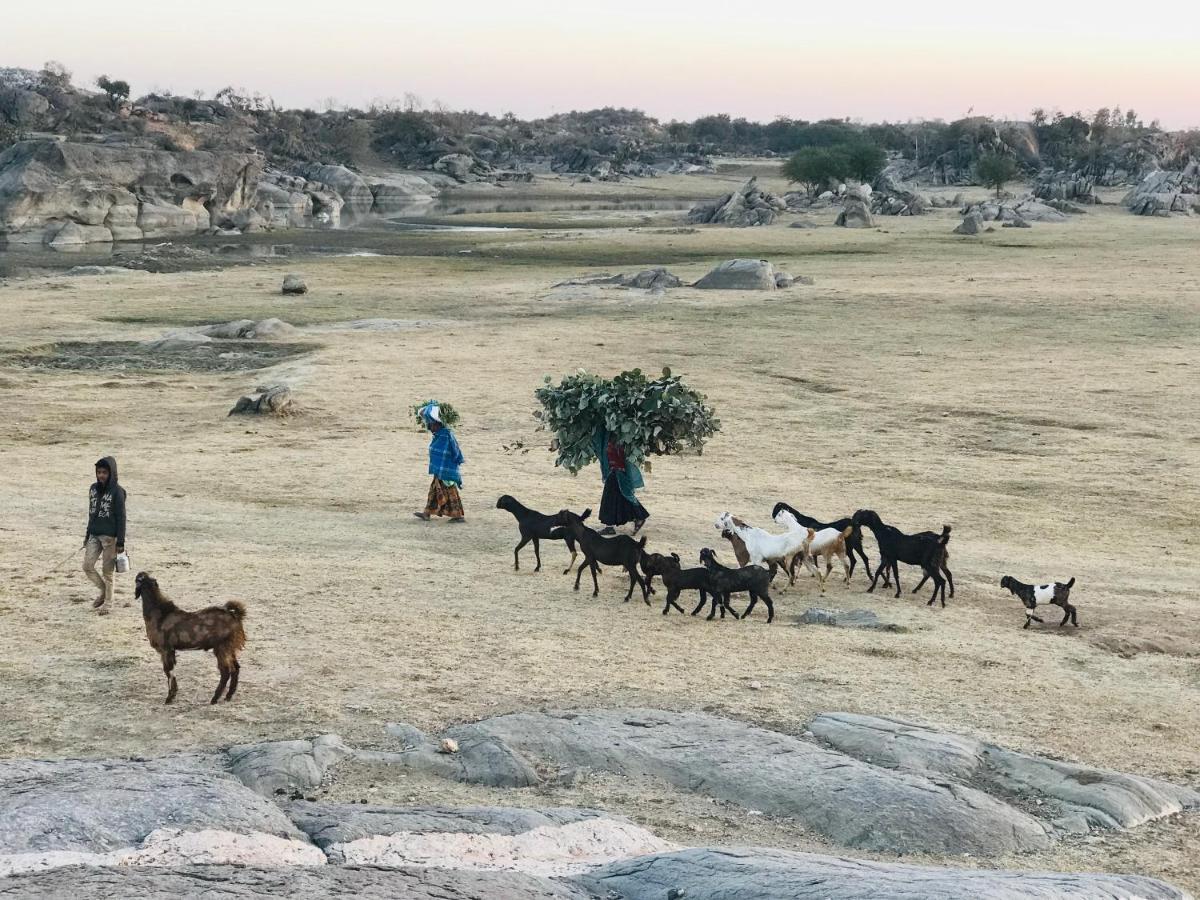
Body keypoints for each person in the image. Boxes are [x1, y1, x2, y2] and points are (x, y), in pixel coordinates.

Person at [84, 456, 126, 614]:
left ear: (111, 473)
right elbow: (91, 513)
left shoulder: (118, 492)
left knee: (107, 572)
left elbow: (121, 517)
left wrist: (120, 541)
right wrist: (87, 534)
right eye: (98, 472)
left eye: (104, 472)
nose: (101, 475)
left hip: (110, 538)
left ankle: (108, 603)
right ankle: (103, 592)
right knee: (87, 566)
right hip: (94, 534)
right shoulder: (93, 489)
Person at [413, 403, 465, 523]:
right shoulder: (439, 435)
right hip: (441, 469)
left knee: (450, 490)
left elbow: (453, 450)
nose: (429, 427)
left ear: (437, 424)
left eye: (430, 424)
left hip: (446, 468)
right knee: (434, 489)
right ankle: (427, 513)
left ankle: (458, 515)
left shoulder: (445, 435)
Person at [593, 426, 648, 535]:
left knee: (611, 498)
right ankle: (638, 517)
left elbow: (621, 458)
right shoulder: (611, 439)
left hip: (618, 473)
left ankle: (637, 517)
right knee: (621, 498)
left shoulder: (622, 441)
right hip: (615, 472)